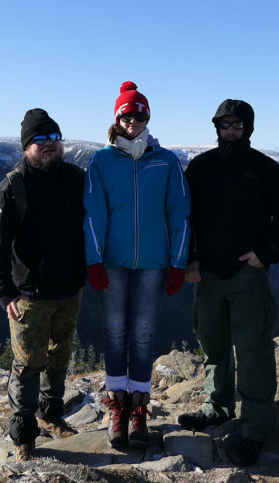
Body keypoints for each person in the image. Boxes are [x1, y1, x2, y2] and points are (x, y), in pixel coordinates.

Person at [178, 99, 279, 466]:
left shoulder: (265, 169)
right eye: (225, 124)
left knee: (253, 347)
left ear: (249, 128)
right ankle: (218, 407)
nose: (231, 130)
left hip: (248, 272)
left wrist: (267, 252)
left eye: (238, 125)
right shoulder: (200, 167)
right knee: (212, 342)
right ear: (217, 127)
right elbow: (184, 217)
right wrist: (190, 259)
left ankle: (256, 426)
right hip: (207, 273)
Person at [83, 81, 190, 448]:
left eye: (139, 113)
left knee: (143, 335)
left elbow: (180, 213)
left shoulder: (166, 160)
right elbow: (93, 214)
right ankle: (117, 406)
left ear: (148, 116)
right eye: (126, 114)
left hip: (154, 264)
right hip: (112, 262)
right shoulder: (101, 161)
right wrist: (93, 259)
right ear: (117, 119)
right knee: (115, 333)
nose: (133, 119)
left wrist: (177, 263)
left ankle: (138, 408)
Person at [0, 108, 86, 462]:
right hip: (28, 295)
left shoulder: (75, 177)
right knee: (27, 365)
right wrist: (4, 292)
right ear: (27, 145)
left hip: (69, 289)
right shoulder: (12, 187)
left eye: (53, 139)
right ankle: (24, 435)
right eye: (40, 140)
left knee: (59, 357)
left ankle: (52, 414)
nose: (49, 146)